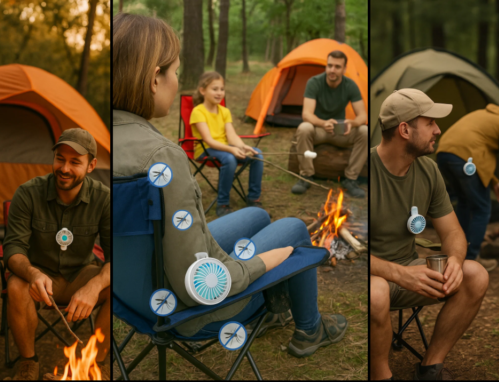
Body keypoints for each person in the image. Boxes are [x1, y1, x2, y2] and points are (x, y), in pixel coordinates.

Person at [111, 12, 347, 365]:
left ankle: (277, 310)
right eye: (175, 72)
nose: (177, 82)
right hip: (188, 311)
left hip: (135, 295)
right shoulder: (162, 158)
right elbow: (200, 286)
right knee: (294, 229)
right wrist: (267, 261)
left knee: (257, 216)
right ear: (153, 79)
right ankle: (309, 329)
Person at [369, 89, 489, 381]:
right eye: (430, 122)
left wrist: (455, 261)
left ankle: (430, 367)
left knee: (475, 275)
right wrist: (399, 274)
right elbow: (346, 252)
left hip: (409, 273)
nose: (438, 130)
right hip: (371, 278)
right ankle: (381, 374)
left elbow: (453, 232)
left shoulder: (428, 170)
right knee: (376, 293)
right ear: (404, 130)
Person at [3, 128, 111, 380]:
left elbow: (116, 257)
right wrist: (33, 274)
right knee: (16, 285)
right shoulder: (28, 193)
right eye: (60, 159)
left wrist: (94, 286)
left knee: (117, 286)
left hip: (81, 275)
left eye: (75, 162)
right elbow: (13, 249)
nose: (64, 168)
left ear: (91, 165)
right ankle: (28, 363)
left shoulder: (104, 198)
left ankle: (97, 365)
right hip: (40, 276)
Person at [436, 100, 499, 271]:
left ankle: (455, 254)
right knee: (482, 209)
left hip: (443, 155)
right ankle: (471, 259)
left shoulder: (481, 114)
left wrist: (495, 183)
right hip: (466, 161)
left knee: (464, 203)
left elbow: (474, 152)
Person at [292, 50, 367, 198]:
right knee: (304, 127)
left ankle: (351, 179)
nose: (332, 70)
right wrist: (323, 123)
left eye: (337, 67)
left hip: (340, 131)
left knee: (364, 131)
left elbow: (363, 116)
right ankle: (306, 176)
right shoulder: (314, 82)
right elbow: (306, 114)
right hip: (319, 129)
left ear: (344, 69)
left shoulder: (350, 85)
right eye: (330, 65)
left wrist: (352, 123)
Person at [189, 71, 264, 217]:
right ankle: (222, 203)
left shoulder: (224, 111)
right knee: (230, 158)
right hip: (205, 149)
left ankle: (254, 198)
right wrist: (232, 150)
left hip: (223, 148)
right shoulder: (198, 111)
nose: (219, 93)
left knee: (257, 154)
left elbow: (232, 136)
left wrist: (242, 147)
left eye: (222, 89)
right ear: (203, 91)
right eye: (215, 89)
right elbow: (208, 140)